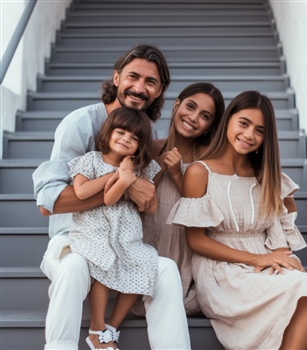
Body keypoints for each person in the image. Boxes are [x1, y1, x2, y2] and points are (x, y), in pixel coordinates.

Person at [32, 44, 191, 350]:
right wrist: (124, 183)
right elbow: (48, 203)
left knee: (166, 269)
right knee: (74, 266)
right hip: (74, 238)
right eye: (133, 77)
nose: (139, 88)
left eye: (151, 82)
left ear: (159, 92)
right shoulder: (79, 124)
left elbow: (147, 197)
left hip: (121, 246)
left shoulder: (141, 130)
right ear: (116, 78)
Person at [167, 90, 307, 350]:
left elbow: (279, 231)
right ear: (228, 121)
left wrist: (285, 258)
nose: (249, 135)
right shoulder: (199, 172)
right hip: (220, 271)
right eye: (244, 123)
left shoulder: (267, 176)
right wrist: (258, 259)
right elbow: (196, 241)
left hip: (264, 262)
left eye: (259, 130)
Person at [68, 107, 160, 350]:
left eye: (134, 138)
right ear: (107, 133)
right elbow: (83, 192)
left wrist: (131, 177)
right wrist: (120, 178)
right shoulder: (90, 160)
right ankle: (96, 329)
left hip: (126, 233)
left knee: (145, 263)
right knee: (105, 259)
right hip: (94, 229)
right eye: (120, 132)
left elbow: (150, 208)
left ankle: (111, 327)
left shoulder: (140, 169)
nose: (126, 140)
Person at [141, 82, 225, 316]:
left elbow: (208, 219)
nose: (194, 117)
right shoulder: (149, 148)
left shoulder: (211, 162)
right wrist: (157, 167)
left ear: (210, 126)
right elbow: (137, 205)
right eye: (190, 106)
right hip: (150, 246)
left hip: (189, 257)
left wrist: (178, 175)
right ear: (177, 105)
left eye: (205, 116)